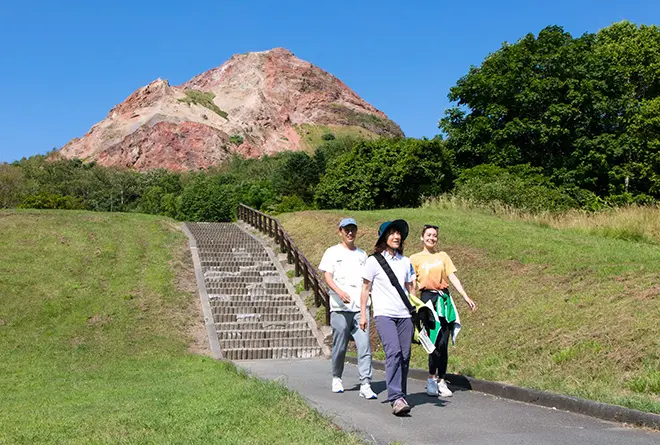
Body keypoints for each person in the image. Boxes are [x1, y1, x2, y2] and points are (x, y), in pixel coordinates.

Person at [409, 224, 477, 398]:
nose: (432, 238)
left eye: (435, 235)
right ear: (422, 237)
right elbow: (412, 284)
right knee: (433, 341)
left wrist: (465, 296)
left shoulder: (443, 256)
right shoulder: (415, 258)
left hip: (443, 300)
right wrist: (413, 304)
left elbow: (452, 276)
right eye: (429, 235)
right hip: (427, 301)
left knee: (444, 342)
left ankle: (441, 379)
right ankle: (431, 379)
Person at [359, 220, 415, 416]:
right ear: (384, 237)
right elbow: (365, 289)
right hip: (384, 314)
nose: (396, 236)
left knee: (405, 355)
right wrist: (363, 314)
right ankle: (396, 397)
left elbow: (410, 290)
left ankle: (401, 393)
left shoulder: (406, 262)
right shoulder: (373, 261)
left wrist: (418, 311)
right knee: (394, 352)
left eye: (398, 233)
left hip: (405, 315)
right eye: (392, 233)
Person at [319, 217, 377, 400]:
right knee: (340, 346)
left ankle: (365, 383)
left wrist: (365, 306)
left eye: (352, 229)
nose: (350, 233)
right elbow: (327, 276)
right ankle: (337, 377)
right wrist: (339, 291)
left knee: (364, 345)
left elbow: (367, 282)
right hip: (339, 307)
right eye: (346, 230)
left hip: (360, 308)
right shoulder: (332, 252)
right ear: (340, 232)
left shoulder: (363, 255)